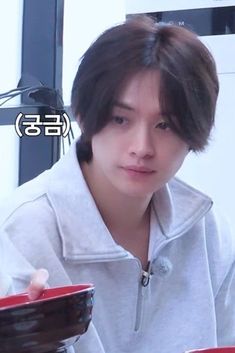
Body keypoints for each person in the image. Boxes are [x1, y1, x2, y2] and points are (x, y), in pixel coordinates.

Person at [0, 14, 235, 353]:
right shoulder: (20, 231)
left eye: (165, 125)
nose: (142, 147)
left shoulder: (208, 231)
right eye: (120, 119)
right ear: (83, 114)